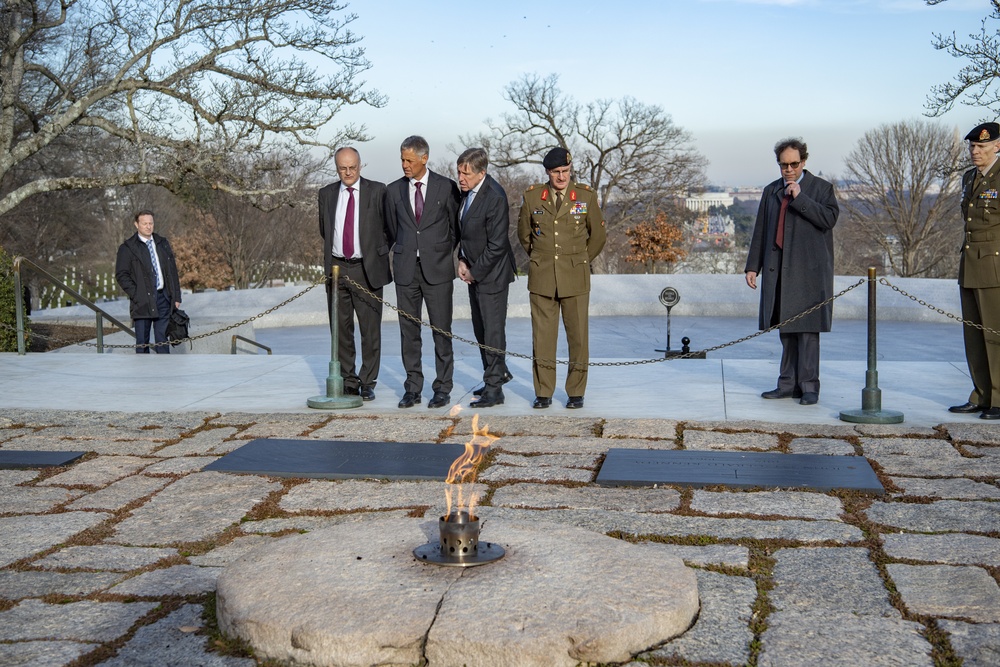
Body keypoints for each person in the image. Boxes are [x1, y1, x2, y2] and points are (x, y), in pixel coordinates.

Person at [744, 138, 839, 405]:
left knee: (807, 332)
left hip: (809, 273)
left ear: (804, 162)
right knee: (786, 331)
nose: (788, 170)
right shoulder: (770, 191)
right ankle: (787, 383)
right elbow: (761, 231)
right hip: (780, 270)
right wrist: (753, 267)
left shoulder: (821, 189)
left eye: (793, 164)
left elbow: (828, 220)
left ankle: (809, 387)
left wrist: (801, 197)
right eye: (783, 165)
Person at [517, 147, 606, 409]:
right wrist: (541, 257)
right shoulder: (534, 197)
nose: (561, 176)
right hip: (542, 276)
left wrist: (580, 260)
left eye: (565, 171)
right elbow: (525, 235)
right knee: (543, 338)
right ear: (547, 172)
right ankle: (544, 391)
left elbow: (598, 236)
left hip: (575, 277)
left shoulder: (585, 196)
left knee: (578, 337)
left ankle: (576, 391)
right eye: (556, 172)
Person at [384, 135, 461, 409]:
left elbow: (455, 228)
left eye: (409, 160)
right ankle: (413, 388)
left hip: (438, 270)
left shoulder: (446, 187)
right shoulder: (393, 191)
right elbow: (392, 230)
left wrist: (439, 251)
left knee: (442, 331)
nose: (404, 164)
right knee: (409, 332)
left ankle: (442, 388)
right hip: (405, 271)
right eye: (402, 159)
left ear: (424, 158)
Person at [318, 146, 391, 401]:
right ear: (336, 167)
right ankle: (349, 381)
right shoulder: (326, 194)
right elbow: (324, 230)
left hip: (367, 268)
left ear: (360, 166)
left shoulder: (378, 191)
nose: (348, 173)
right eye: (342, 168)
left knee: (370, 331)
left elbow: (389, 229)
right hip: (337, 268)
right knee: (341, 329)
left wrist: (375, 252)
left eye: (352, 167)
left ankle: (368, 380)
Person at [456, 148, 517, 408]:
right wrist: (461, 259)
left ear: (482, 172)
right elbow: (466, 234)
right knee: (481, 329)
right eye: (459, 171)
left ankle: (495, 390)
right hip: (474, 271)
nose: (460, 177)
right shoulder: (467, 193)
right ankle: (495, 374)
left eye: (466, 173)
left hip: (492, 275)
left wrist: (474, 271)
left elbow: (497, 245)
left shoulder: (494, 196)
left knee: (493, 331)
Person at [950, 122, 1000, 420]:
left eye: (981, 147)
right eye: (972, 147)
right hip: (970, 262)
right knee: (974, 334)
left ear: (997, 146)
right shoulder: (970, 178)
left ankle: (998, 398)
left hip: (993, 265)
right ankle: (980, 394)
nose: (975, 152)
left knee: (995, 335)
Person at [115, 210, 182, 354]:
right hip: (142, 302)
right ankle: (144, 375)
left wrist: (176, 296)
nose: (148, 226)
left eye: (150, 223)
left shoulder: (162, 243)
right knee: (142, 344)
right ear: (136, 224)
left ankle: (164, 374)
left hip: (163, 298)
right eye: (144, 223)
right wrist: (137, 294)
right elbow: (121, 275)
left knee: (163, 341)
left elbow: (172, 271)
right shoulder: (127, 248)